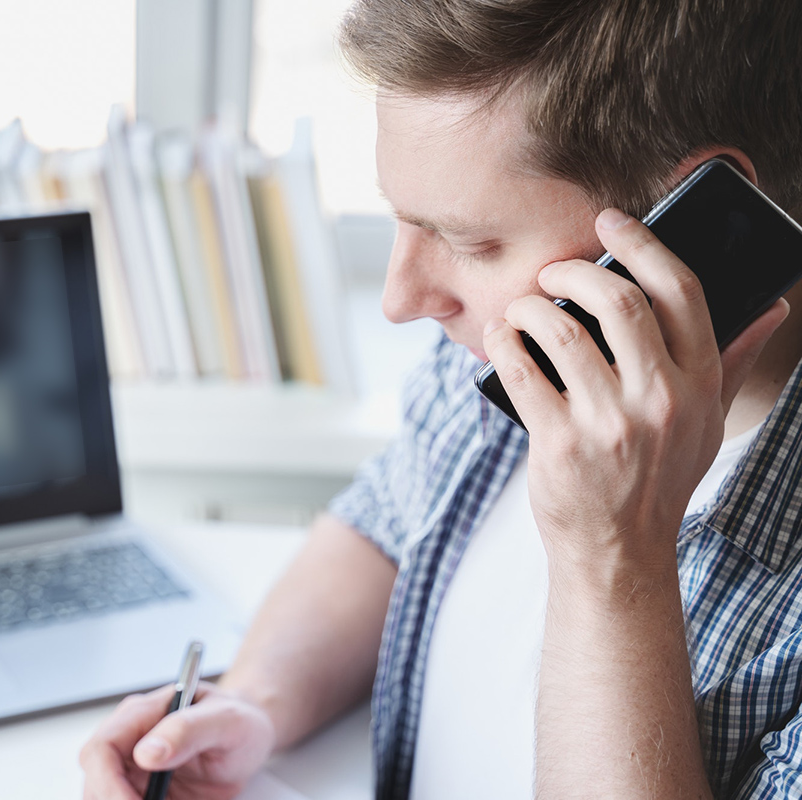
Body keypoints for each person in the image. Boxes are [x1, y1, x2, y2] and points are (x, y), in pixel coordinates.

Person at [80, 1, 802, 797]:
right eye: (403, 220)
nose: (402, 296)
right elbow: (389, 519)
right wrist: (252, 704)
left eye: (468, 241)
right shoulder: (517, 343)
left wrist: (613, 560)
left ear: (696, 224)